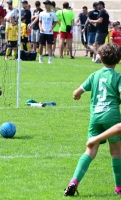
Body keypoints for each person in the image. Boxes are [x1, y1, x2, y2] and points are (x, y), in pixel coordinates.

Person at [64, 43, 121, 196]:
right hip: (112, 116)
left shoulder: (94, 75)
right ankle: (118, 188)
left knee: (90, 150)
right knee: (116, 152)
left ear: (100, 58)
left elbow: (76, 92)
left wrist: (77, 95)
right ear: (119, 60)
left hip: (95, 116)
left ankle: (74, 181)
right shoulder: (118, 77)